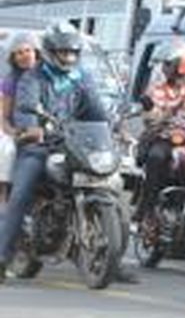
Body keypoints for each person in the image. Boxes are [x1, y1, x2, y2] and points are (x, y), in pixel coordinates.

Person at [0, 23, 108, 283]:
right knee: (21, 195)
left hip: (75, 144)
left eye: (72, 53)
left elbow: (96, 111)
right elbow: (24, 109)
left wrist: (110, 127)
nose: (68, 57)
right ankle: (2, 256)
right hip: (40, 146)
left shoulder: (82, 77)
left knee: (109, 182)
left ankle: (110, 254)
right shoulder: (32, 77)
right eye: (63, 52)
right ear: (50, 51)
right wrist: (31, 128)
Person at [134, 40, 185, 223]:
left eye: (168, 64)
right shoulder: (156, 90)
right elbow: (149, 117)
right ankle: (148, 209)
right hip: (165, 140)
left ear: (181, 65)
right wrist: (158, 116)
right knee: (155, 158)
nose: (164, 68)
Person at [0, 32, 40, 204]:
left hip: (47, 130)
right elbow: (4, 117)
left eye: (27, 50)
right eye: (19, 53)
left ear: (36, 52)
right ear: (13, 58)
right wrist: (14, 132)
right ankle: (4, 197)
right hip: (19, 130)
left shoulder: (47, 76)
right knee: (8, 150)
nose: (24, 56)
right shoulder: (10, 81)